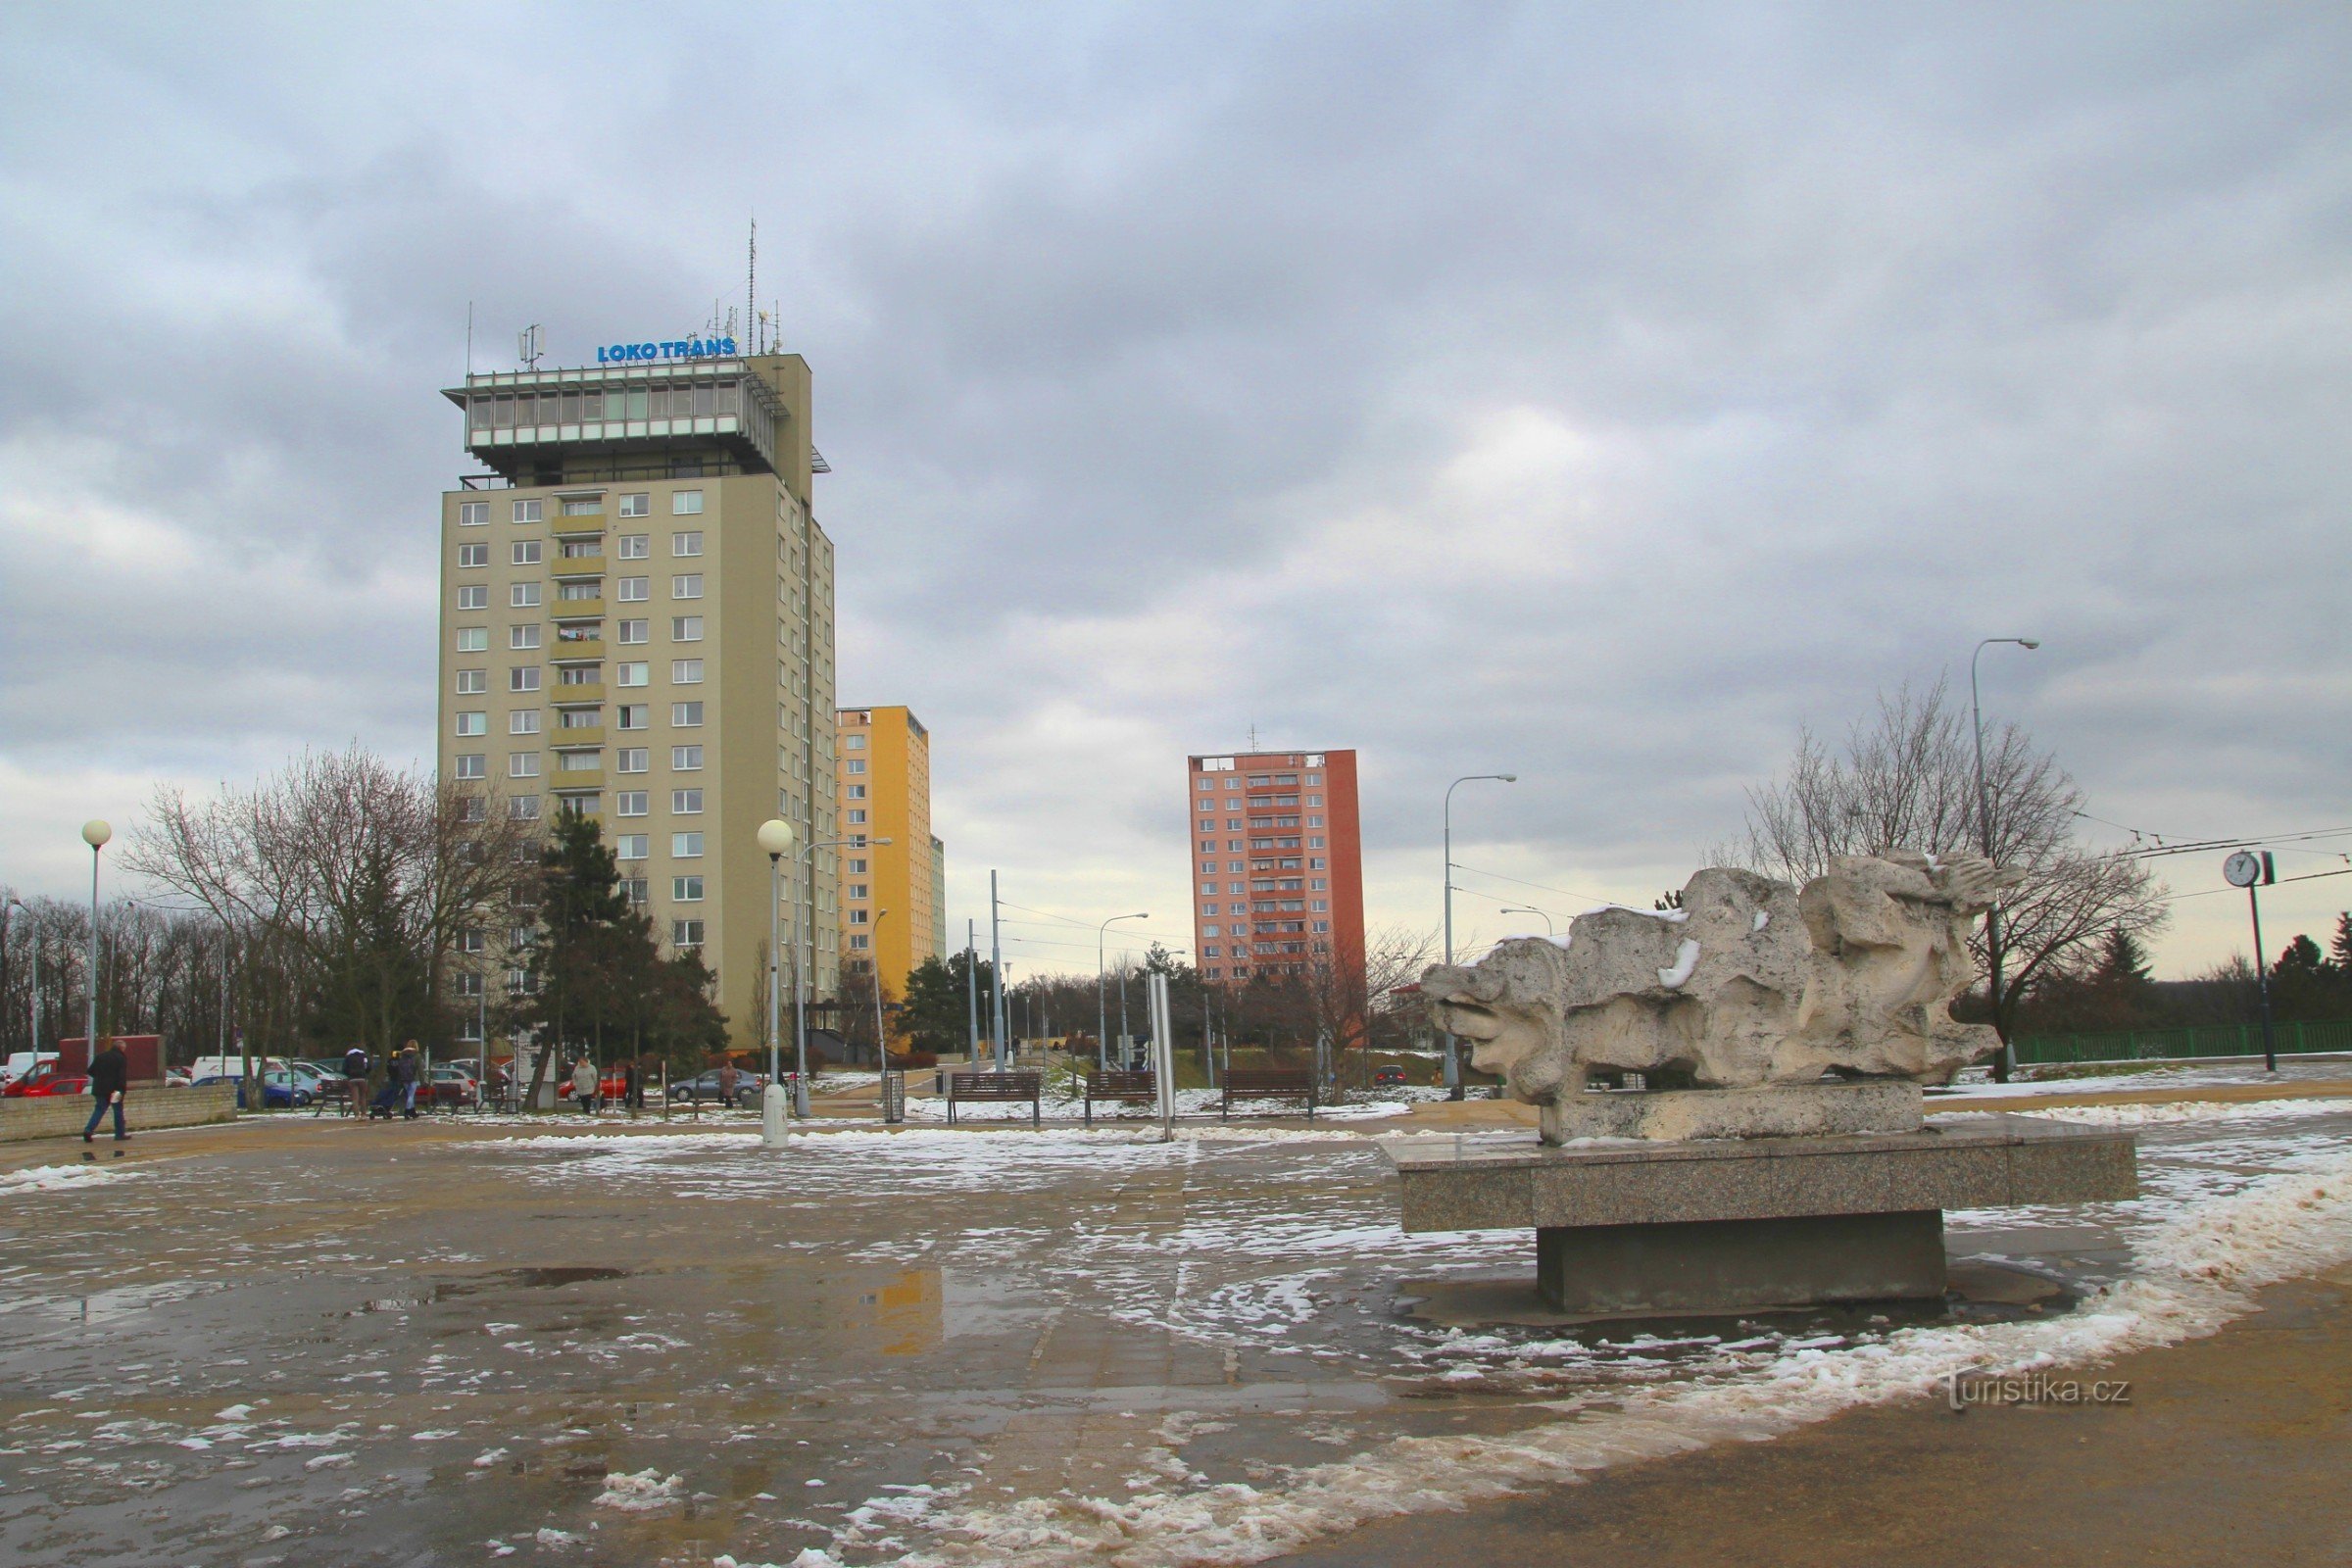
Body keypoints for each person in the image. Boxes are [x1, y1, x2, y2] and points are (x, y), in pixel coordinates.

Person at [83, 1039, 129, 1144]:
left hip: (99, 1088)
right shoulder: (121, 1058)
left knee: (99, 1110)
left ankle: (88, 1130)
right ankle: (119, 1134)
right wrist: (121, 1090)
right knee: (117, 1111)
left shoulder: (100, 1056)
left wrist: (100, 1078)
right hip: (115, 1090)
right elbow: (121, 1076)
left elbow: (90, 1071)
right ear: (121, 1048)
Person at [341, 1044, 368, 1118]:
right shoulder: (363, 1056)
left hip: (352, 1078)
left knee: (355, 1098)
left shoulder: (348, 1057)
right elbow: (368, 1067)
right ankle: (363, 1115)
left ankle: (356, 1115)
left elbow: (344, 1069)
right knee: (363, 1097)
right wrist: (365, 1073)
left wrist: (349, 1074)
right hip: (362, 1078)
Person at [399, 1042, 422, 1119]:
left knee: (409, 1095)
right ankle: (407, 1111)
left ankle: (413, 1112)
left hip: (404, 1078)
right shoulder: (417, 1055)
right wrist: (422, 1080)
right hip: (413, 1078)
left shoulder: (403, 1055)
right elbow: (420, 1069)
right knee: (411, 1096)